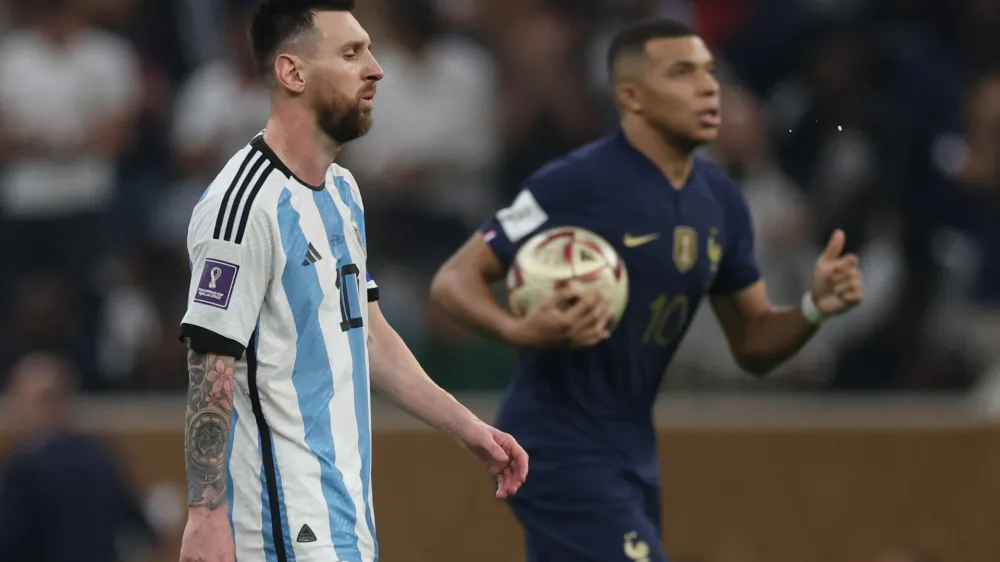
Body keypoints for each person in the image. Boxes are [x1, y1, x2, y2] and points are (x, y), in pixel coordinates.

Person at [429, 19, 864, 562]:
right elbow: (454, 280)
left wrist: (814, 307)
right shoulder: (579, 181)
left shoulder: (720, 201)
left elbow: (753, 342)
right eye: (682, 73)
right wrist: (515, 327)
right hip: (557, 442)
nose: (708, 87)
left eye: (710, 73)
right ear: (631, 96)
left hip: (631, 446)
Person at [176, 2, 528, 561]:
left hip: (343, 515)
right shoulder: (243, 207)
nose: (376, 68)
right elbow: (209, 364)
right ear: (293, 73)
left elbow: (366, 333)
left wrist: (466, 426)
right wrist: (205, 515)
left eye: (368, 49)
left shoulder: (341, 191)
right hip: (278, 524)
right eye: (351, 53)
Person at [0, 352, 158, 562]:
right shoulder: (100, 458)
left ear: (44, 403)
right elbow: (140, 531)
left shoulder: (26, 468)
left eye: (17, 398)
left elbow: (9, 542)